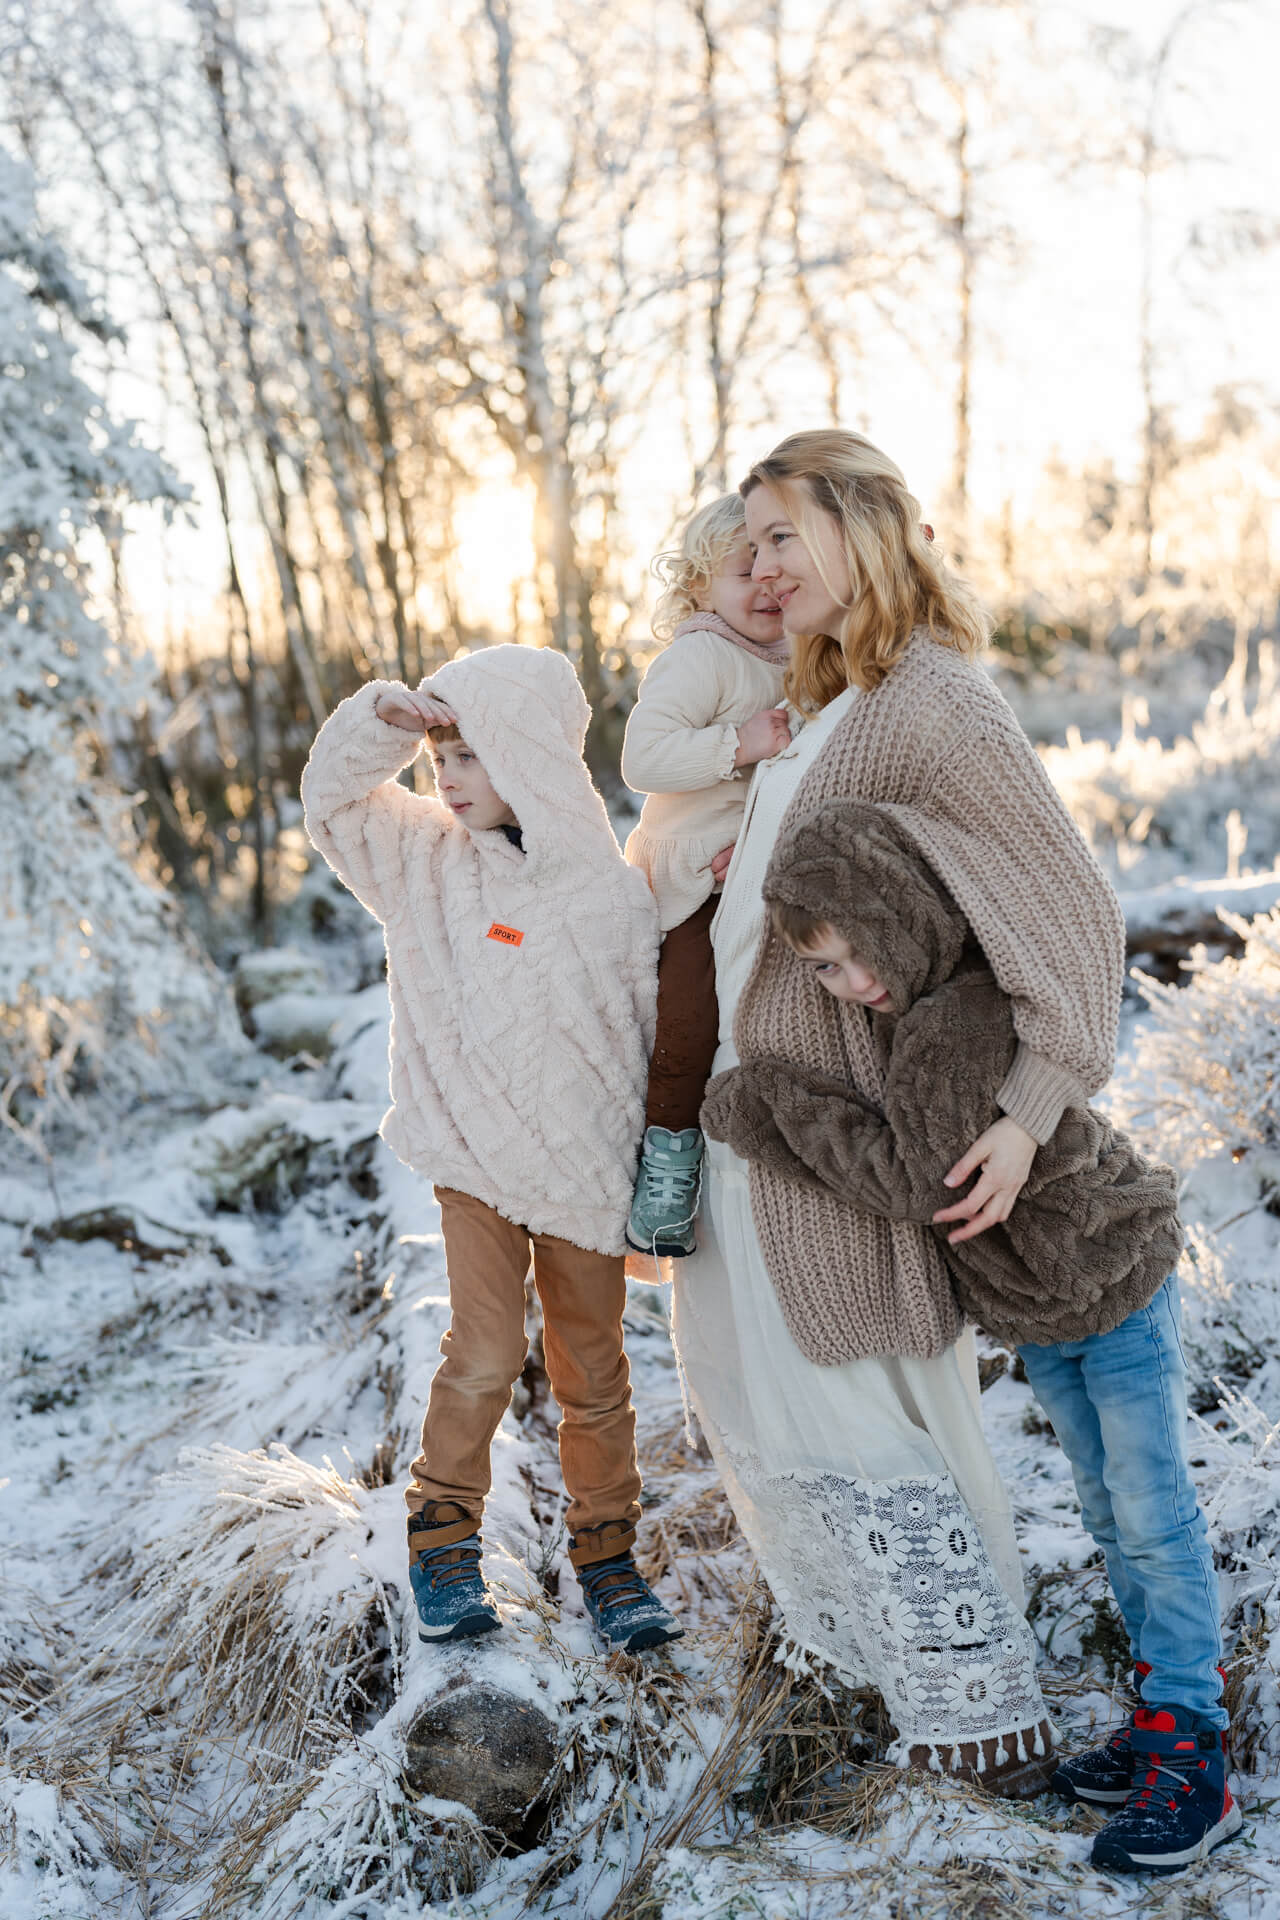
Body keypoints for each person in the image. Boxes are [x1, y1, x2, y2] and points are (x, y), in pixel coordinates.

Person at [702, 795, 1243, 1872]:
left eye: (859, 956)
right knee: (1105, 1507)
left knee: (1147, 1512)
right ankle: (1156, 1722)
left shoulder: (952, 1022)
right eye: (822, 972)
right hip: (1047, 1310)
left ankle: (1198, 1751)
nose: (853, 987)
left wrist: (763, 1103)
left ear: (904, 915)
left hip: (1110, 1281)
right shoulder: (905, 1018)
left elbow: (915, 1179)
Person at [671, 431, 1073, 1796]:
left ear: (860, 526)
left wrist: (1026, 1109)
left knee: (860, 1396)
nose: (763, 563)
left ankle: (984, 1724)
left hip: (842, 1135)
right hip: (756, 1119)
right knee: (762, 1393)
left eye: (784, 532)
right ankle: (866, 1676)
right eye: (752, 540)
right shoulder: (826, 696)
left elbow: (1064, 909)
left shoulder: (933, 700)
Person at [301, 643, 680, 1654]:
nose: (449, 778)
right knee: (480, 1350)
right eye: (441, 759)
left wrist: (653, 1167)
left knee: (593, 1370)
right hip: (472, 1157)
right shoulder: (424, 861)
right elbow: (332, 805)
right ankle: (442, 1537)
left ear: (528, 752)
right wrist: (386, 717)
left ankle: (605, 1558)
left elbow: (645, 1036)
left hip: (583, 1170)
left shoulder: (609, 892)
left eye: (469, 754)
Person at [620, 494, 791, 1257]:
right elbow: (643, 759)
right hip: (690, 883)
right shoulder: (699, 657)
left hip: (760, 876)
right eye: (740, 571)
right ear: (697, 589)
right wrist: (741, 741)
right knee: (688, 1020)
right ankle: (668, 1160)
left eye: (773, 567)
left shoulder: (802, 655)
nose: (763, 583)